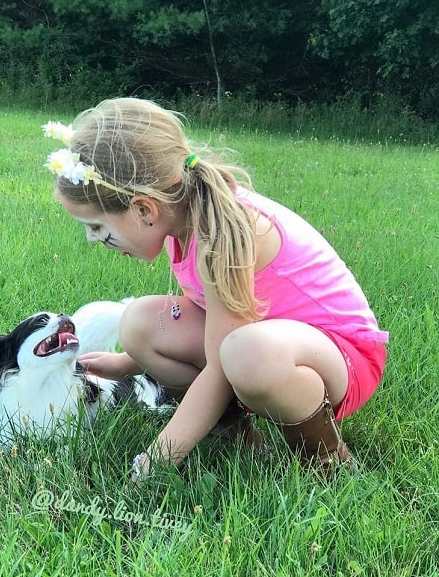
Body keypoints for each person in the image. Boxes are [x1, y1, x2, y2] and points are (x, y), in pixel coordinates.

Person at [41, 98, 388, 481]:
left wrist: (157, 460)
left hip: (343, 356)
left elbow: (223, 363)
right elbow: (211, 323)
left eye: (98, 228)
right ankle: (239, 440)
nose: (94, 239)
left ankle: (327, 461)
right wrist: (127, 363)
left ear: (144, 210)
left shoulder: (220, 235)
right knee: (141, 321)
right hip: (270, 347)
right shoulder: (185, 218)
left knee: (245, 353)